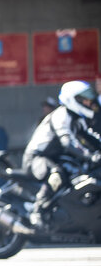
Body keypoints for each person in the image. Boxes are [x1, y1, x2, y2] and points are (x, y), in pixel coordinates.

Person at [22, 80, 101, 227]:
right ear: (72, 99)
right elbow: (68, 142)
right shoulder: (61, 115)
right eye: (83, 99)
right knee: (57, 173)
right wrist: (90, 156)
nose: (88, 102)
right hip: (36, 158)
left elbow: (91, 139)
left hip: (55, 158)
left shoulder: (78, 118)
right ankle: (37, 210)